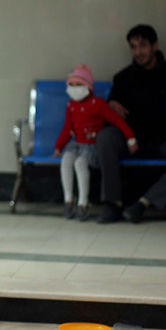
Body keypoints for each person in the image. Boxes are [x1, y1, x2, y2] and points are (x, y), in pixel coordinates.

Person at [96, 24, 166, 223]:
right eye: (133, 47)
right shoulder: (123, 78)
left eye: (143, 46)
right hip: (131, 140)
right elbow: (110, 114)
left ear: (155, 46)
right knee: (105, 137)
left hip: (165, 140)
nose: (138, 52)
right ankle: (113, 204)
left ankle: (144, 203)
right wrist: (111, 104)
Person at [52, 64, 136, 221]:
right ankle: (68, 199)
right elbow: (66, 129)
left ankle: (83, 202)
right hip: (76, 145)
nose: (75, 89)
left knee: (80, 164)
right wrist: (58, 147)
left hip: (92, 147)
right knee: (66, 161)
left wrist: (130, 138)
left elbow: (117, 121)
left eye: (79, 85)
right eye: (72, 85)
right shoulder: (71, 106)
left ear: (88, 86)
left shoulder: (98, 104)